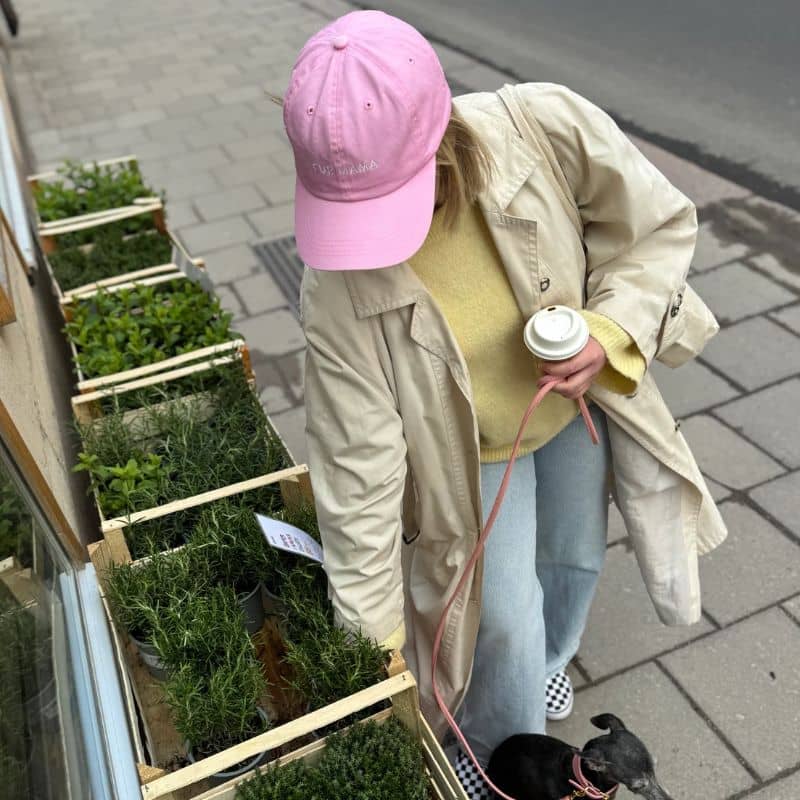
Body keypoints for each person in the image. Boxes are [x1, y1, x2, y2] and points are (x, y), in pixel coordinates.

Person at [282, 9, 727, 799]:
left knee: (574, 554)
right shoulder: (336, 291)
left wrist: (612, 328)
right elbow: (356, 474)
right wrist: (375, 652)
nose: (377, 243)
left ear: (442, 136)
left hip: (574, 406)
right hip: (472, 450)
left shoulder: (543, 126)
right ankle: (497, 755)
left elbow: (655, 227)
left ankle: (556, 664)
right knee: (500, 615)